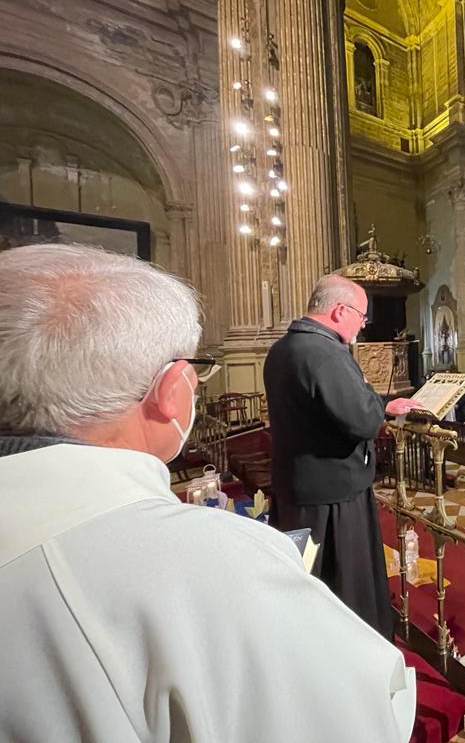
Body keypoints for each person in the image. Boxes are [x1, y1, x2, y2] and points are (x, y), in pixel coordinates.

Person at [0, 245, 414, 741]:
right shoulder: (222, 561)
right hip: (332, 484)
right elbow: (359, 717)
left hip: (298, 475)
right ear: (173, 387)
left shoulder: (285, 347)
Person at [264, 274, 423, 638]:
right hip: (332, 497)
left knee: (303, 580)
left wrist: (381, 402)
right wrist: (372, 401)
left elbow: (329, 407)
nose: (363, 325)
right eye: (362, 316)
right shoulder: (327, 354)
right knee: (344, 590)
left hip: (297, 485)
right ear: (339, 311)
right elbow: (362, 420)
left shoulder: (284, 348)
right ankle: (353, 651)